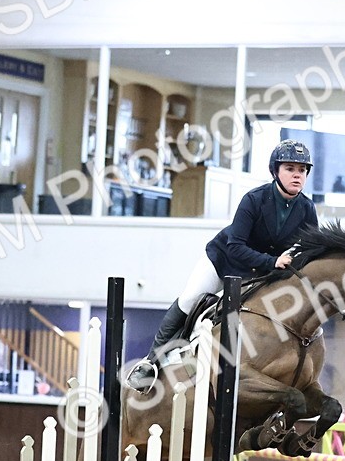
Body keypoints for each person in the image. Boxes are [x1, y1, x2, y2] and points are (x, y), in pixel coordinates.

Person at [125, 139, 320, 391]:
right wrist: (273, 261)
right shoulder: (254, 199)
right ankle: (150, 363)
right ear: (275, 171)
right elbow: (235, 246)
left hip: (259, 275)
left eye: (302, 170)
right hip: (224, 261)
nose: (297, 175)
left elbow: (311, 249)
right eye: (290, 168)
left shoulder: (307, 208)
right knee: (190, 298)